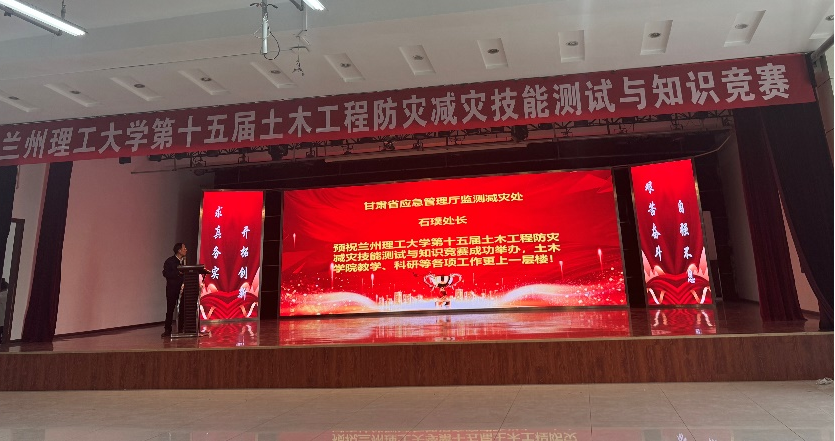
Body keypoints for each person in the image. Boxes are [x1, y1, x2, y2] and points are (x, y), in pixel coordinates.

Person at [161, 243, 187, 337]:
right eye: (184, 248)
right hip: (172, 289)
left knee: (182, 309)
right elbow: (165, 273)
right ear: (179, 250)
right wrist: (178, 273)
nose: (186, 250)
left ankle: (181, 328)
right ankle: (167, 329)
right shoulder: (170, 261)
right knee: (170, 309)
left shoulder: (184, 261)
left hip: (182, 289)